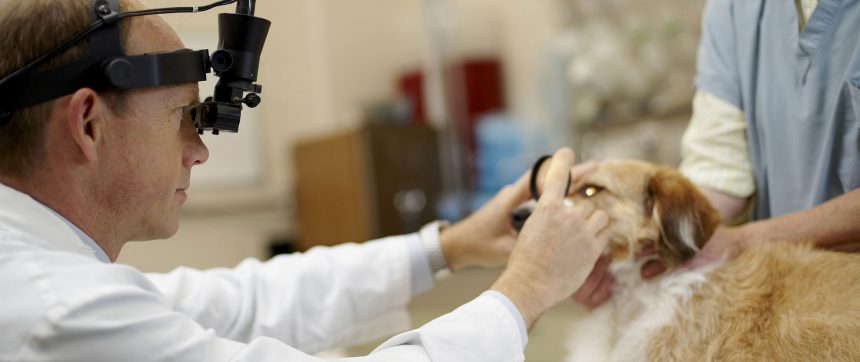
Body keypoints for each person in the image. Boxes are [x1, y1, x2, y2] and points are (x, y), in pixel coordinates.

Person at [0, 1, 610, 360]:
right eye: (182, 117)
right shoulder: (59, 310)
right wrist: (529, 287)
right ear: (87, 123)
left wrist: (449, 246)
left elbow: (245, 303)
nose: (197, 150)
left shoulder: (45, 272)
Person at [574, 0, 860, 309]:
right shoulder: (734, 9)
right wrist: (673, 231)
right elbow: (720, 169)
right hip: (790, 294)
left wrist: (743, 241)